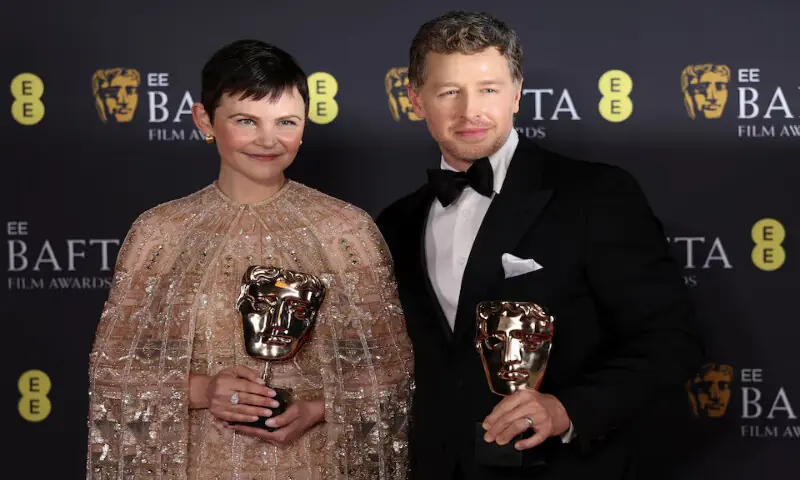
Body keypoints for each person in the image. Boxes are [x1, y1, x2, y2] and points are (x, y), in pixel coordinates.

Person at [376, 11, 703, 480]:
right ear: (415, 99)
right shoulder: (396, 222)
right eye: (449, 91)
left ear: (517, 94)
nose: (470, 110)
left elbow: (673, 342)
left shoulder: (595, 195)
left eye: (488, 88)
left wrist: (567, 409)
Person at [86, 39, 413, 479]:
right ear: (205, 120)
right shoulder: (159, 232)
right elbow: (114, 373)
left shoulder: (346, 230)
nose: (268, 140)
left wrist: (317, 409)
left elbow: (391, 373)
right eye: (246, 120)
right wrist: (205, 390)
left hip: (315, 465)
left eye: (286, 122)